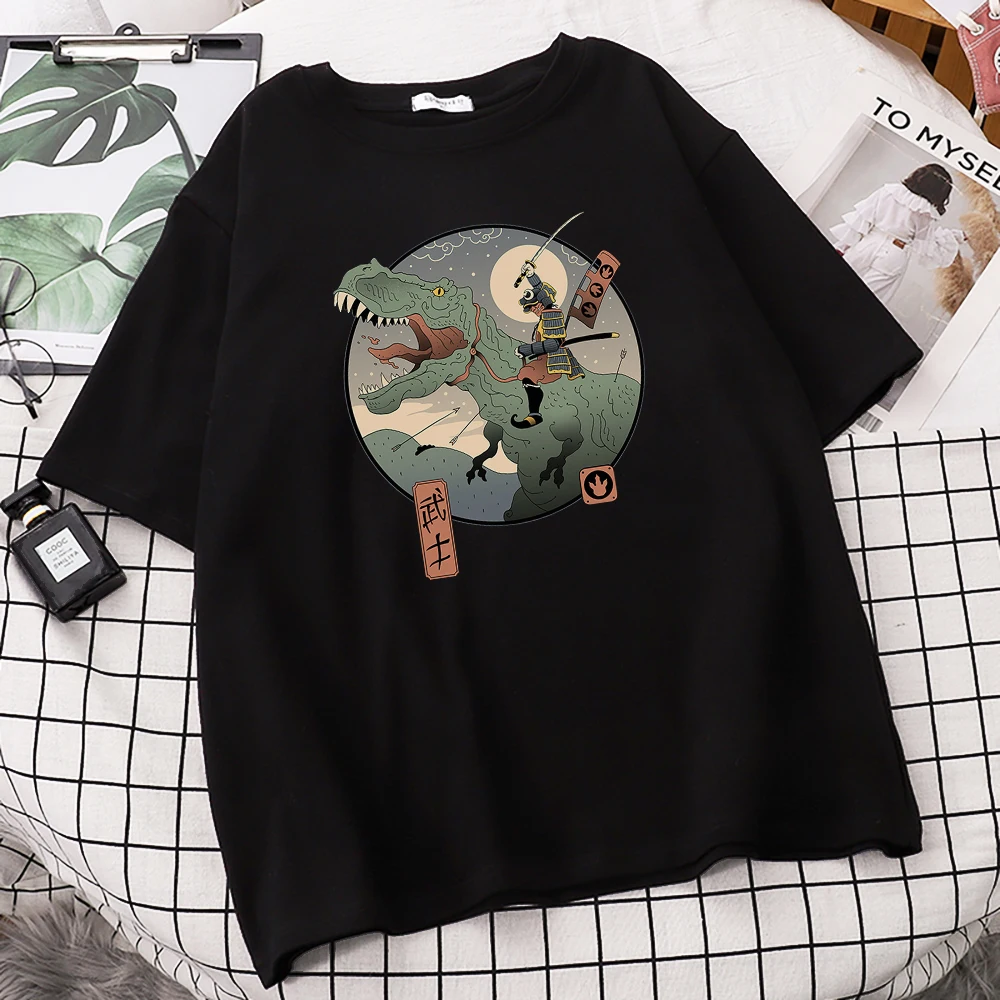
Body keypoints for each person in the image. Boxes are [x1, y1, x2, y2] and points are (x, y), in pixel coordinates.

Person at [830, 163, 968, 305]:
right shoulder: (926, 212)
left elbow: (860, 219)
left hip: (867, 244)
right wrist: (954, 236)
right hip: (895, 255)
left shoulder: (888, 191)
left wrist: (841, 246)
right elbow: (926, 245)